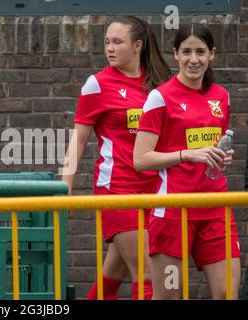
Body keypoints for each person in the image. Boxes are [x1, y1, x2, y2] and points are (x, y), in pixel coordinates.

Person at [61, 16, 170, 300]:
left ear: (137, 46)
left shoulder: (160, 84)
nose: (109, 48)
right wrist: (66, 187)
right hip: (118, 189)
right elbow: (79, 140)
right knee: (148, 272)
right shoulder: (97, 84)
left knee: (114, 274)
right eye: (107, 42)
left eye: (117, 42)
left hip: (157, 190)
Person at [133, 23, 241, 299]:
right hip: (172, 212)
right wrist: (187, 154)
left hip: (215, 207)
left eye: (201, 52)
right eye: (187, 52)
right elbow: (141, 159)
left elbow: (211, 148)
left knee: (226, 293)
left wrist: (221, 157)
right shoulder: (160, 97)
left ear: (212, 54)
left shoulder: (221, 96)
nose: (194, 59)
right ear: (176, 55)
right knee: (169, 296)